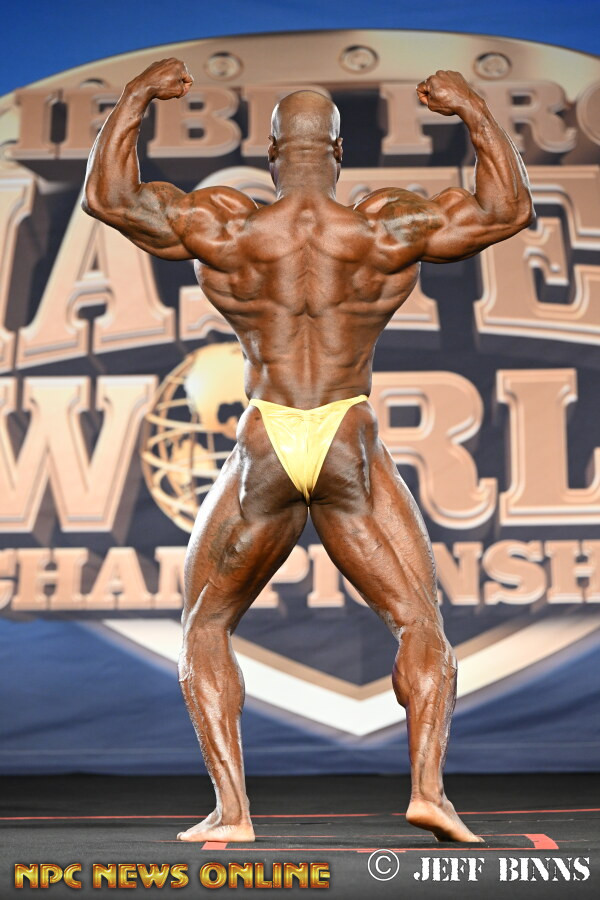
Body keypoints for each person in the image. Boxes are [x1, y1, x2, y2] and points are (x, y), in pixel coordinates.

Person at [82, 59, 533, 844]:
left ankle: (233, 811)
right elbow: (507, 209)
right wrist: (472, 109)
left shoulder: (227, 225)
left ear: (270, 154)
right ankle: (430, 793)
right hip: (345, 435)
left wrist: (136, 96)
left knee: (205, 625)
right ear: (338, 152)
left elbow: (109, 198)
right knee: (417, 619)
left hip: (268, 436)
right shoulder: (383, 226)